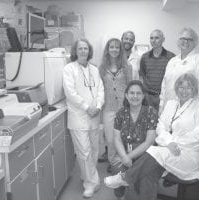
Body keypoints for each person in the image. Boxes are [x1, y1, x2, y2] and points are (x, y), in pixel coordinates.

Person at [104, 73, 199, 200]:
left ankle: (125, 177)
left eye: (189, 87)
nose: (184, 91)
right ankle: (129, 183)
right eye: (181, 87)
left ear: (195, 89)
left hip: (193, 153)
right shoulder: (172, 104)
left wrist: (173, 143)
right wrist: (169, 142)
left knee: (154, 153)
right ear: (176, 88)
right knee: (147, 173)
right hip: (169, 149)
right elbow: (160, 127)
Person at [63, 38, 104, 198]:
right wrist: (87, 107)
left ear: (89, 51)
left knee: (94, 150)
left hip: (94, 116)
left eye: (85, 48)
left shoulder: (94, 69)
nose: (83, 51)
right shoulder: (69, 69)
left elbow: (101, 89)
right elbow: (70, 93)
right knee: (84, 152)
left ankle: (87, 175)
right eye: (80, 48)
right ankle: (90, 183)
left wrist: (98, 106)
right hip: (79, 117)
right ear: (75, 51)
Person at [111, 80, 158, 199]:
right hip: (124, 151)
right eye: (132, 93)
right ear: (126, 95)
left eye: (138, 93)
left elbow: (149, 141)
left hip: (145, 154)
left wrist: (129, 157)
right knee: (117, 167)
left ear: (143, 96)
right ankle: (122, 197)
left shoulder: (150, 112)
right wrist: (123, 156)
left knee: (145, 177)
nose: (135, 96)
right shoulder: (121, 113)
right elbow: (116, 138)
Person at [159, 27, 199, 113]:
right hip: (168, 109)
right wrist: (161, 105)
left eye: (189, 39)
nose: (185, 42)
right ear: (178, 41)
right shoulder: (172, 61)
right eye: (183, 38)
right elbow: (164, 85)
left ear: (195, 43)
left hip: (189, 111)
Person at [99, 38, 132, 173]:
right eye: (111, 47)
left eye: (117, 47)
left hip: (124, 107)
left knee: (124, 137)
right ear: (107, 49)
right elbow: (99, 88)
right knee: (111, 138)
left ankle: (124, 161)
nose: (114, 49)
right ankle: (113, 162)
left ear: (120, 50)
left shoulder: (127, 67)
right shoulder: (101, 68)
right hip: (108, 108)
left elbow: (131, 86)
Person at [139, 29, 175, 110]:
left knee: (163, 121)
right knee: (148, 121)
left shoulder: (171, 57)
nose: (153, 41)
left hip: (165, 97)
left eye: (156, 38)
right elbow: (142, 76)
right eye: (151, 38)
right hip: (148, 98)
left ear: (163, 39)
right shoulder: (145, 57)